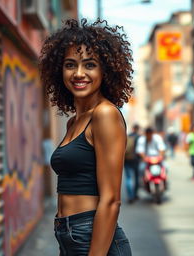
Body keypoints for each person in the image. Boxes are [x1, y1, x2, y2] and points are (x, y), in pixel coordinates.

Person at [39, 18, 133, 255]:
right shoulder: (73, 122)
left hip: (92, 237)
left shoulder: (105, 114)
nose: (79, 73)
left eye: (89, 65)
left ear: (105, 70)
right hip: (68, 235)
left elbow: (111, 200)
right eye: (70, 64)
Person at [124, 124, 140, 203]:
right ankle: (135, 194)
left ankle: (130, 196)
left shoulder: (128, 136)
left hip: (126, 159)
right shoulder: (139, 137)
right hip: (136, 160)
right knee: (136, 177)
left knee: (128, 178)